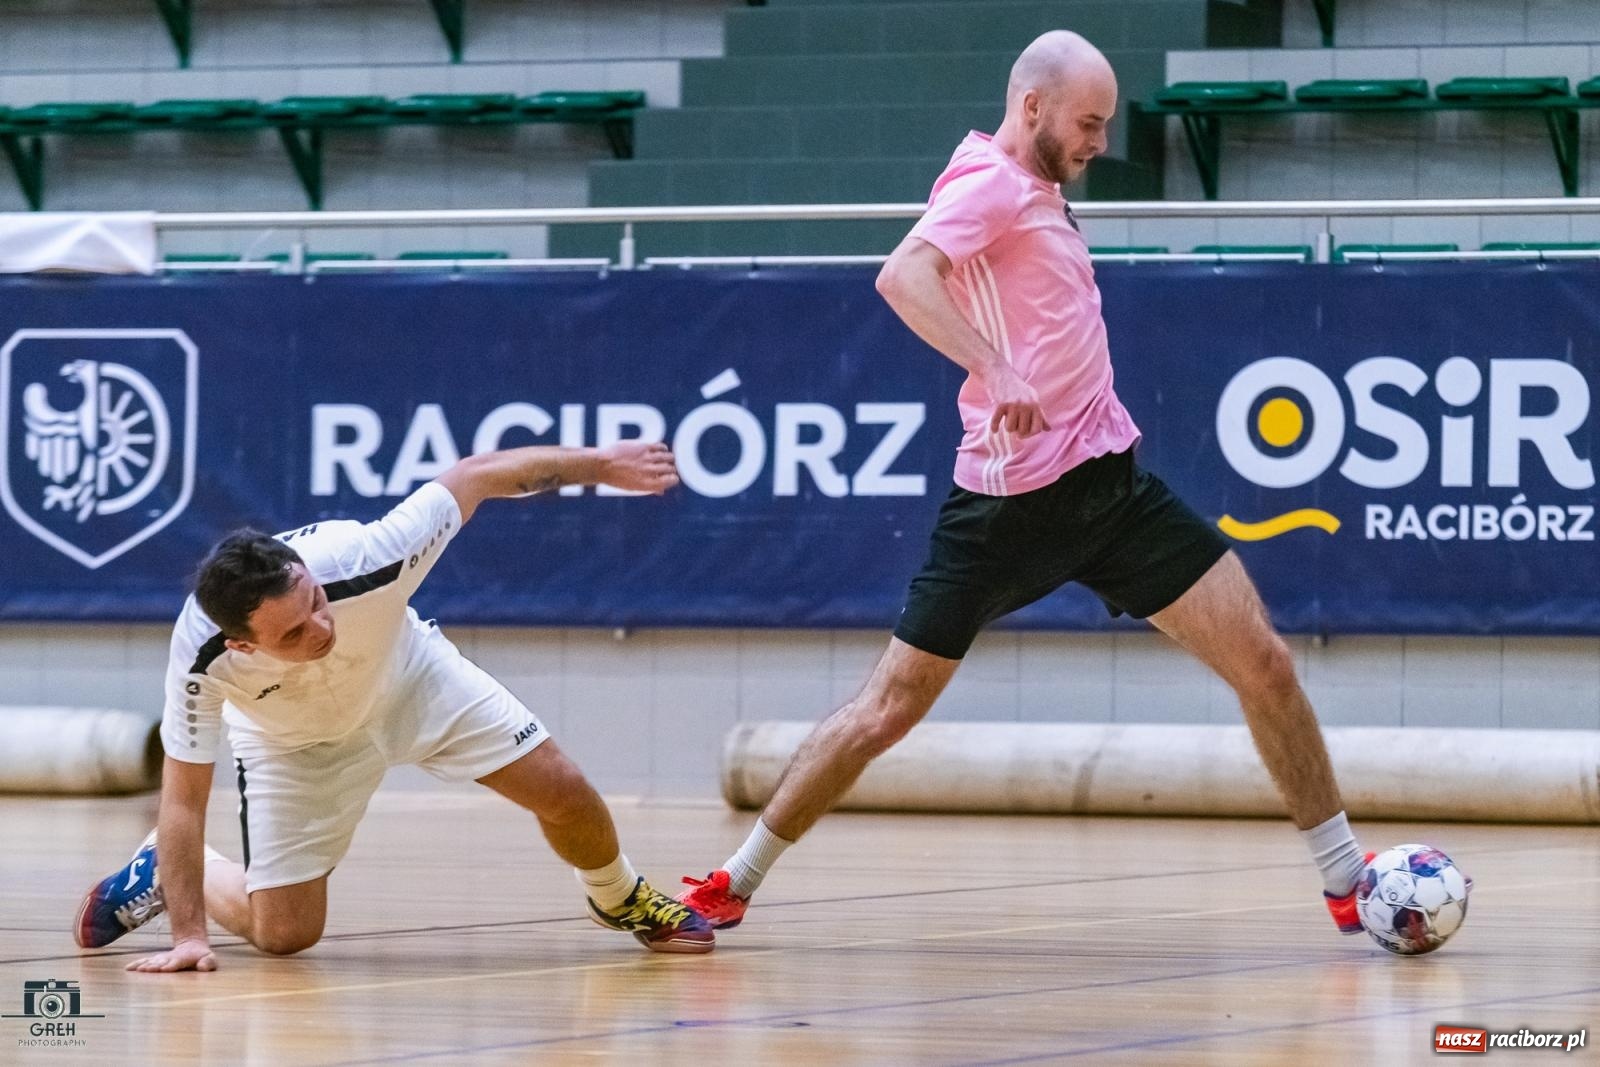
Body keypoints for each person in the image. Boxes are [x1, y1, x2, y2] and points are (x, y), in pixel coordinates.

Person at [680, 31, 1372, 935]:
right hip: (1008, 508)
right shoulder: (992, 183)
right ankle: (730, 882)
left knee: (1267, 666)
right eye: (1089, 123)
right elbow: (902, 274)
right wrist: (994, 369)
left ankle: (1350, 881)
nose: (1099, 142)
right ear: (1033, 106)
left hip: (1112, 493)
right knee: (888, 708)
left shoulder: (1036, 188)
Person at [75, 440, 714, 971]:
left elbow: (478, 476)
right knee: (285, 936)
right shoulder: (200, 658)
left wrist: (601, 466)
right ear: (241, 643)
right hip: (294, 746)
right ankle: (165, 869)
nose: (319, 630)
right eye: (292, 634)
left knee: (565, 789)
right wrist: (191, 937)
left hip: (411, 681)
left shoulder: (368, 556)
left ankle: (619, 895)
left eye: (317, 605)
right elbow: (183, 798)